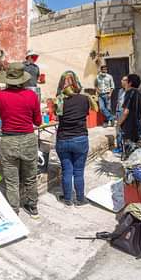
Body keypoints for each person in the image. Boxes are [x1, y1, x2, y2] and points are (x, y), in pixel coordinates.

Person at [0, 62, 42, 218]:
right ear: (23, 80)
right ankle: (32, 207)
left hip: (9, 140)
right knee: (30, 177)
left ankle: (14, 210)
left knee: (11, 180)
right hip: (28, 140)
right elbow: (38, 122)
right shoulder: (31, 96)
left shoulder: (0, 95)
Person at [55, 71, 98, 207]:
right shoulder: (84, 99)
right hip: (80, 139)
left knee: (67, 170)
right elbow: (93, 110)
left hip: (63, 139)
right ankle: (80, 199)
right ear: (76, 83)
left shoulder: (59, 100)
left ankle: (67, 198)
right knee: (78, 171)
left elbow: (57, 116)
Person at [117, 74, 141, 154]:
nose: (125, 82)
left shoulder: (130, 93)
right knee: (136, 151)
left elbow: (126, 112)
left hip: (129, 128)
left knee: (129, 151)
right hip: (138, 126)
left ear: (130, 83)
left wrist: (118, 124)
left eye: (126, 81)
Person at [113, 75, 129, 155]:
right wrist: (116, 112)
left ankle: (125, 147)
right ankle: (119, 147)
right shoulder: (120, 91)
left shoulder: (131, 91)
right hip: (119, 112)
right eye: (122, 80)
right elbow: (118, 102)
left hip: (126, 112)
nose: (121, 81)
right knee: (118, 130)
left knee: (125, 130)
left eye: (123, 80)